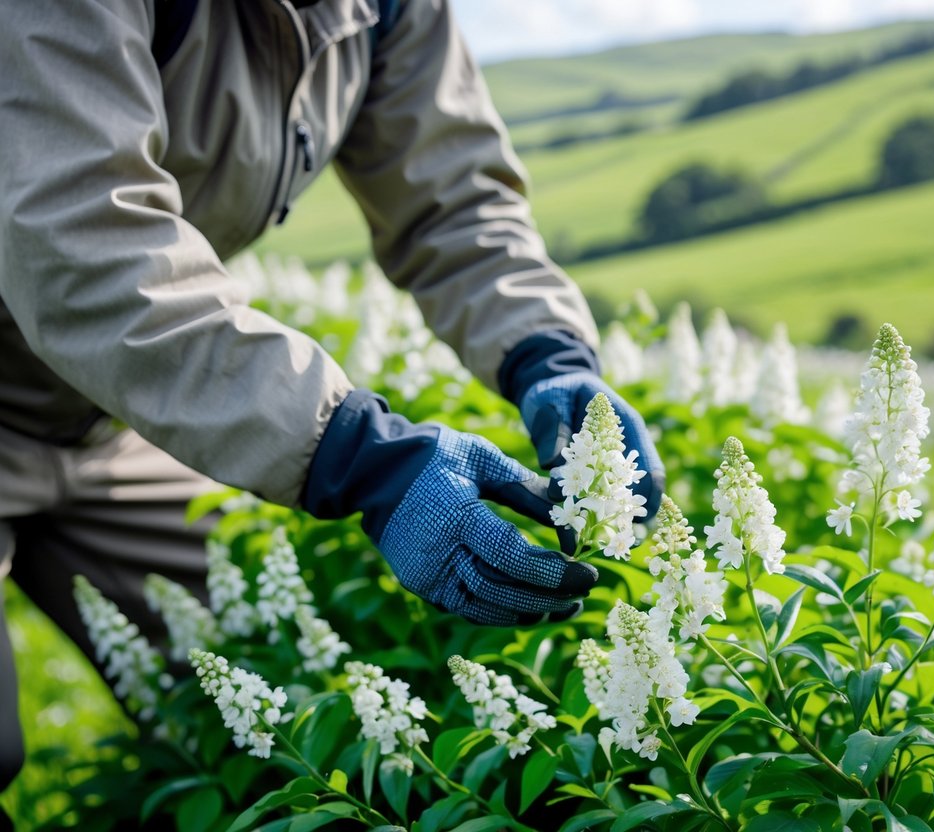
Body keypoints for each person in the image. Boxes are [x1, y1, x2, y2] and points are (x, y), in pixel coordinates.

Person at [0, 0, 664, 810]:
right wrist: (363, 456)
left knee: (288, 685)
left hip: (104, 410)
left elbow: (454, 197)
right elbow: (79, 244)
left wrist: (547, 357)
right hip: (79, 340)